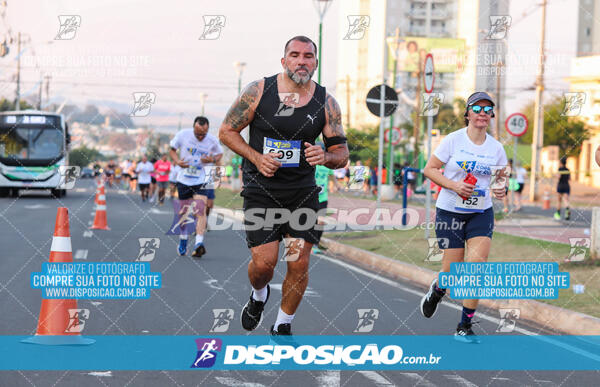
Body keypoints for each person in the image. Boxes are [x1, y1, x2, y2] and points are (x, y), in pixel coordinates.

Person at [218, 36, 349, 336]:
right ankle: (258, 295)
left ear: (315, 63)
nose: (301, 61)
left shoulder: (326, 103)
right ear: (284, 61)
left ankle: (282, 325)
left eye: (308, 56)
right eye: (295, 55)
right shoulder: (259, 91)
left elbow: (342, 154)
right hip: (261, 189)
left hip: (302, 193)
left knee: (298, 262)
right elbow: (227, 131)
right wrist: (256, 157)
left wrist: (326, 155)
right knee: (264, 264)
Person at [419, 92, 507, 343]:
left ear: (491, 115)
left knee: (476, 270)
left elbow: (501, 184)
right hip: (450, 212)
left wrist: (502, 189)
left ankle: (464, 325)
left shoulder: (496, 149)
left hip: (481, 212)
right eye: (476, 108)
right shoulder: (453, 140)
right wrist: (453, 186)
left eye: (487, 108)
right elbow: (429, 169)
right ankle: (437, 290)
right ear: (467, 113)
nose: (482, 112)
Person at [170, 116, 223, 258]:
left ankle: (199, 243)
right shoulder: (183, 135)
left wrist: (212, 160)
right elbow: (172, 150)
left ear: (207, 130)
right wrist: (177, 162)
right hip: (184, 178)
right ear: (194, 127)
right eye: (198, 133)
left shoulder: (212, 140)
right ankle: (183, 238)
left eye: (203, 134)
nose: (200, 136)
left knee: (200, 211)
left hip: (201, 179)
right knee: (184, 213)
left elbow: (219, 154)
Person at [313, 148, 334, 254]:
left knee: (320, 221)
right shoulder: (312, 164)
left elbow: (331, 176)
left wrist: (334, 185)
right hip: (310, 197)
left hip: (323, 197)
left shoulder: (327, 165)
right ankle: (308, 242)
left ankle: (315, 244)